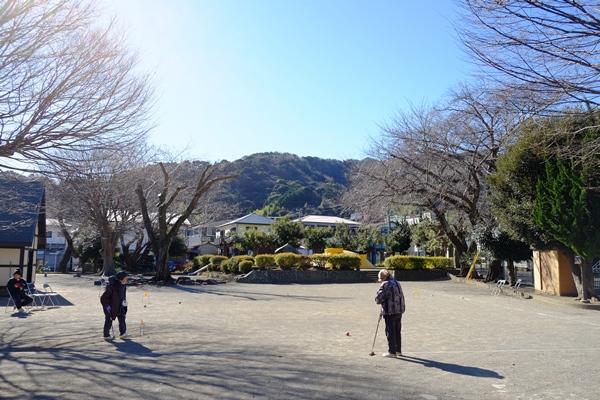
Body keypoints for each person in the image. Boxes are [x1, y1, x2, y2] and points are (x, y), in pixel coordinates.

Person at [375, 269, 405, 358]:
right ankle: (398, 350)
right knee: (397, 331)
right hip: (399, 310)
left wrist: (378, 300)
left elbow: (379, 298)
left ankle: (392, 352)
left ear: (383, 278)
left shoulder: (386, 284)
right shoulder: (396, 282)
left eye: (380, 278)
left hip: (390, 311)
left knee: (390, 331)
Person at [100, 271, 129, 340]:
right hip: (110, 306)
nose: (127, 280)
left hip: (120, 306)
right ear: (121, 279)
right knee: (109, 319)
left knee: (122, 318)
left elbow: (123, 295)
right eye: (126, 278)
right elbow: (103, 298)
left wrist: (124, 303)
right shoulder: (112, 286)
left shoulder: (123, 285)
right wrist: (107, 307)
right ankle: (106, 335)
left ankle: (123, 333)